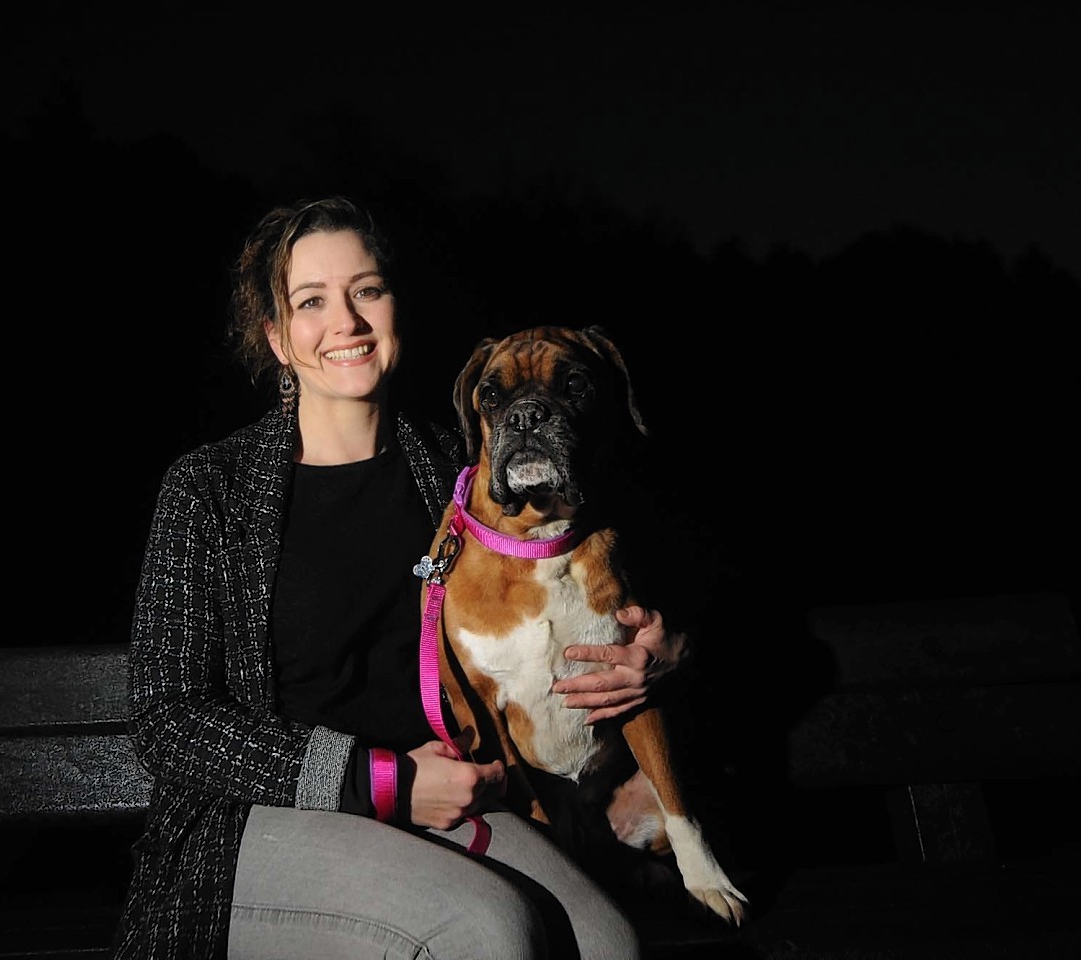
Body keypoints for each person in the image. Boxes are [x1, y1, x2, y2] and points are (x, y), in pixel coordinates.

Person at [111, 196, 690, 960]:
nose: (346, 321)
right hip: (257, 821)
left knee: (609, 944)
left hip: (451, 799)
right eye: (311, 302)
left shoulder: (460, 471)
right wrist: (375, 779)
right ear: (278, 339)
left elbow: (614, 560)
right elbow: (169, 719)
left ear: (394, 309)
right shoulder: (210, 490)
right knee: (486, 932)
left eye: (367, 290)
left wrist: (660, 649)